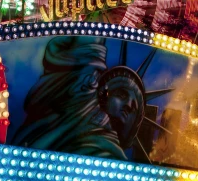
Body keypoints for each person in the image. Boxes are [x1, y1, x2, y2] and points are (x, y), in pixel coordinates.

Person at [12, 36, 167, 160]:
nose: (128, 106)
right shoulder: (57, 119)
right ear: (101, 94)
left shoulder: (103, 150)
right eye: (121, 94)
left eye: (135, 108)